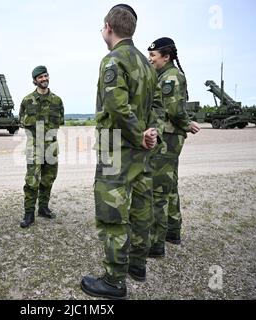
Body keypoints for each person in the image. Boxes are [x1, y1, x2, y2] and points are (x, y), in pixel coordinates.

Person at [80, 4, 162, 299]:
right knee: (141, 207)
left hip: (118, 149)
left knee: (113, 213)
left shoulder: (113, 60)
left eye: (102, 27)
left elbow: (116, 106)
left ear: (108, 27)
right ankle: (137, 265)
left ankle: (114, 280)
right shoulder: (145, 63)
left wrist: (139, 135)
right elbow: (155, 107)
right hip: (141, 153)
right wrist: (151, 131)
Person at [147, 37, 200, 257]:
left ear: (166, 56)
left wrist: (187, 124)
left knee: (158, 190)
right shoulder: (163, 75)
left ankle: (156, 244)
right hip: (168, 137)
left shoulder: (171, 77)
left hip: (167, 138)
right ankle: (172, 231)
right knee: (169, 186)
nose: (150, 59)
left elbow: (174, 110)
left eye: (153, 55)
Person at [18, 65, 64, 228]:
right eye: (40, 77)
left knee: (48, 180)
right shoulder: (27, 101)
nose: (44, 79)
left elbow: (60, 123)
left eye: (45, 76)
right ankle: (28, 214)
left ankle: (43, 208)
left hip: (51, 147)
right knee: (32, 182)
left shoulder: (57, 101)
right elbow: (22, 122)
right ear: (34, 81)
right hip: (34, 148)